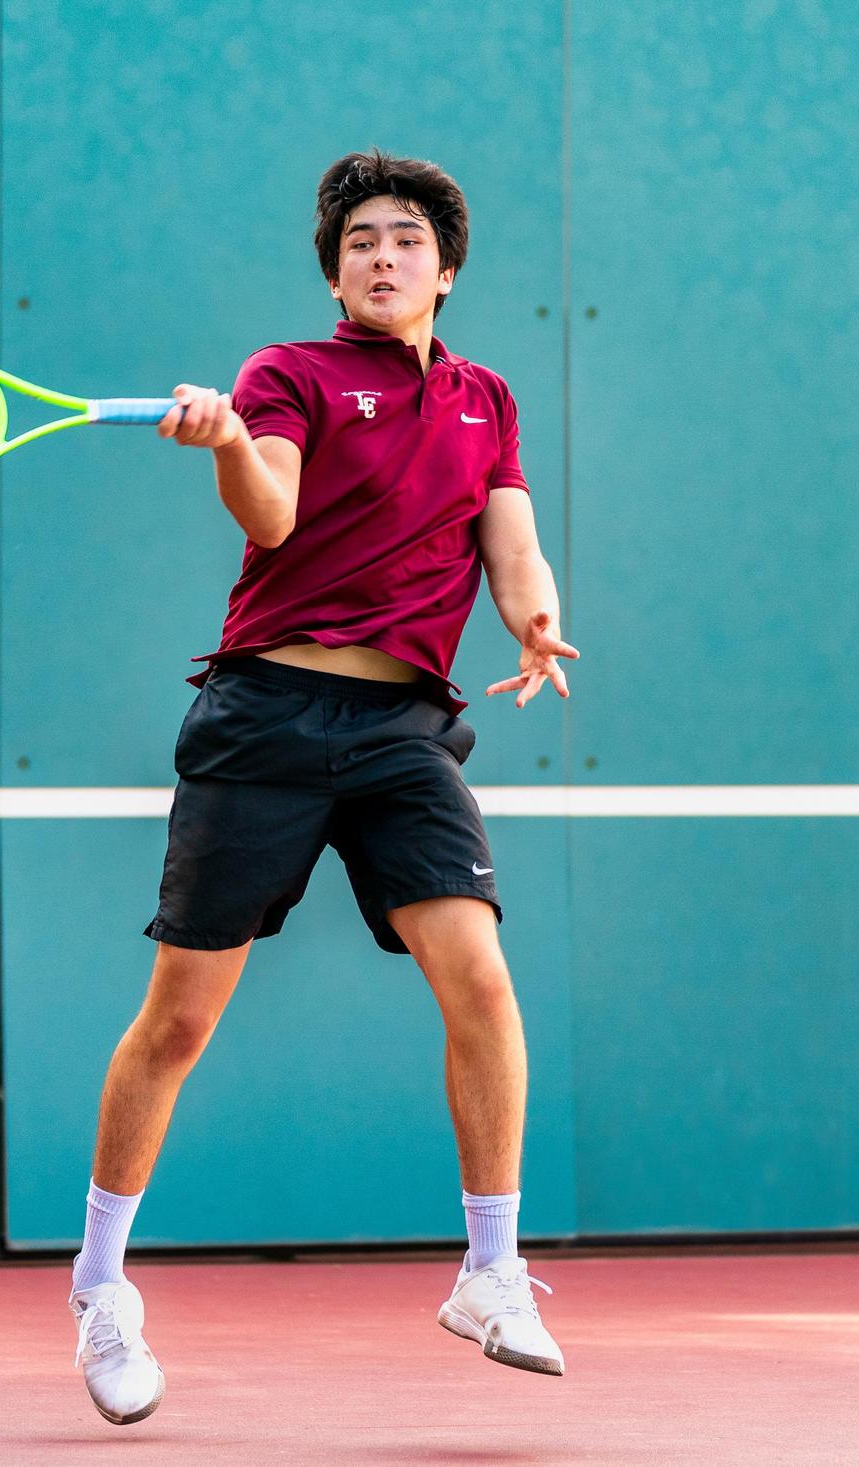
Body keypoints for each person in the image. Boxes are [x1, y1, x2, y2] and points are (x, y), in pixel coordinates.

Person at [65, 149, 579, 1425]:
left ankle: (490, 1270)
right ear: (335, 276)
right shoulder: (287, 374)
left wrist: (534, 616)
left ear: (445, 273)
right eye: (359, 242)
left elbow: (510, 538)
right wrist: (229, 443)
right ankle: (100, 1287)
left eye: (405, 239)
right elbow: (272, 515)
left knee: (481, 980)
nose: (382, 256)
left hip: (404, 729)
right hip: (266, 720)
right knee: (180, 1022)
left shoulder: (487, 399)